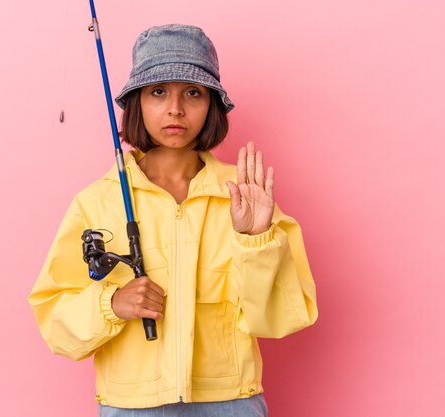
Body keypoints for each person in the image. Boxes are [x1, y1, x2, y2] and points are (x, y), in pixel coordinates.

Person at [28, 24, 318, 416]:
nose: (175, 109)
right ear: (137, 104)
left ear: (212, 104)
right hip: (131, 406)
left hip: (229, 402)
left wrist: (258, 240)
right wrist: (112, 303)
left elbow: (282, 318)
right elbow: (54, 317)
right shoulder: (97, 202)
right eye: (158, 92)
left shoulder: (246, 195)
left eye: (193, 93)